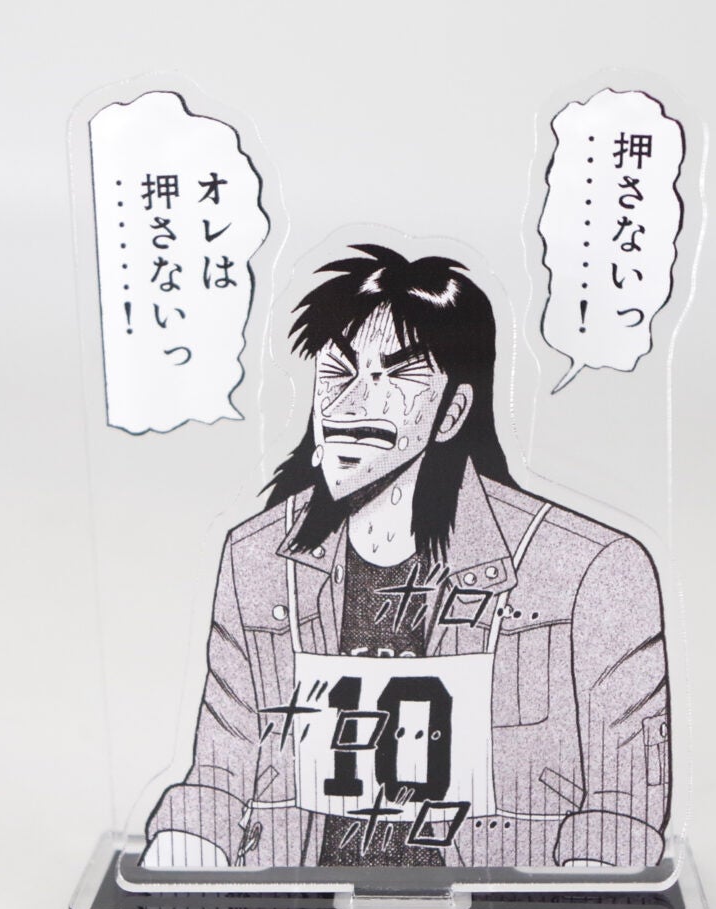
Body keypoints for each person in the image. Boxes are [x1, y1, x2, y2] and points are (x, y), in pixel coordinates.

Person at [141, 244, 671, 870]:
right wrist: (174, 887)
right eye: (337, 373)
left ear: (453, 411)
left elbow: (620, 818)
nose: (351, 402)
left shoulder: (592, 571)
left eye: (394, 377)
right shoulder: (257, 559)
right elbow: (217, 783)